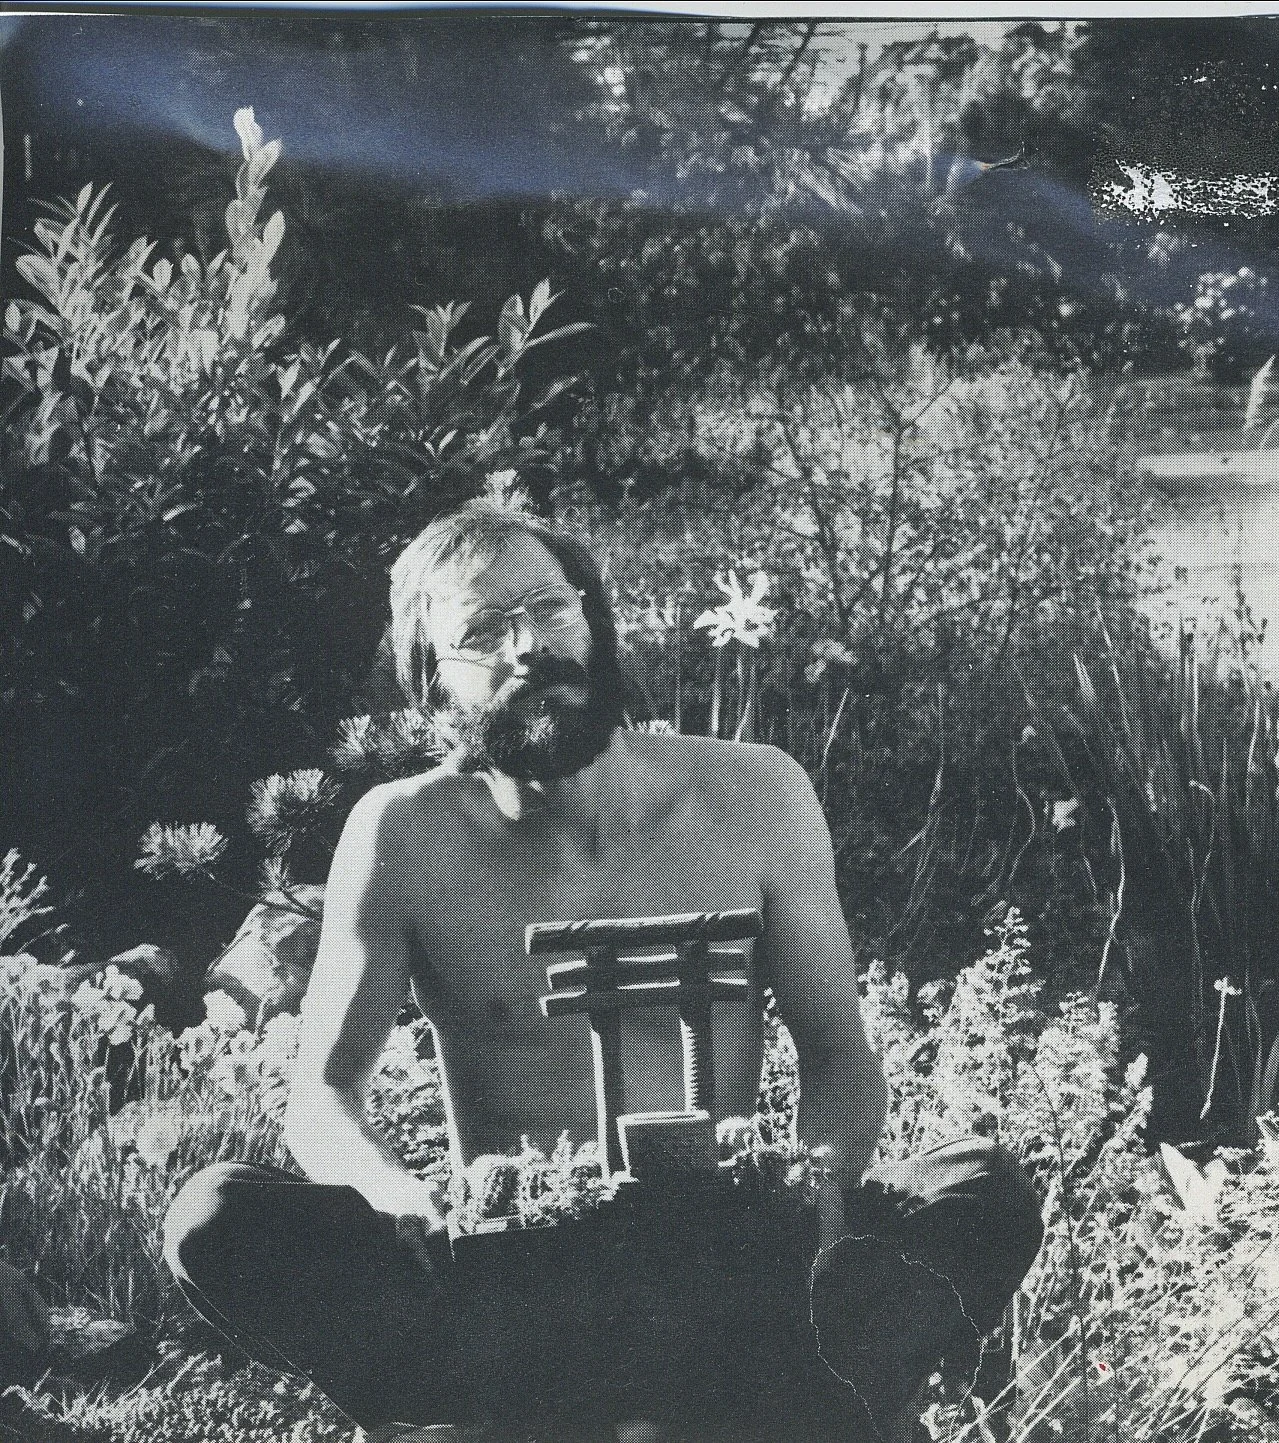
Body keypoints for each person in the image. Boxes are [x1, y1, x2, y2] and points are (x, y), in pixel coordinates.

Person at [163, 504, 1043, 1443]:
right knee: (216, 1213)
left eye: (548, 606)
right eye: (481, 632)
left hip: (733, 1268)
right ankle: (539, 1415)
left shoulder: (758, 792)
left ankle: (712, 1410)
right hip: (519, 1282)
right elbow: (324, 1093)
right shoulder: (403, 831)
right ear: (433, 684)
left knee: (976, 1187)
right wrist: (396, 1194)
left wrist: (818, 1201)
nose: (529, 645)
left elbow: (836, 1052)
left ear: (595, 620)